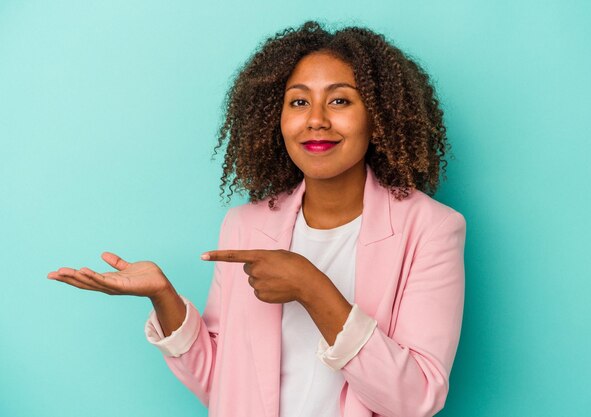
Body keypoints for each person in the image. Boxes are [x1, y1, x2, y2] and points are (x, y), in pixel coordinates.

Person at [47, 20, 466, 417]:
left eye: (339, 100)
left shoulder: (431, 229)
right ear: (275, 119)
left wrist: (312, 287)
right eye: (299, 101)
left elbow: (416, 399)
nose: (316, 119)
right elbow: (222, 383)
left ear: (378, 117)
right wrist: (164, 297)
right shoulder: (245, 225)